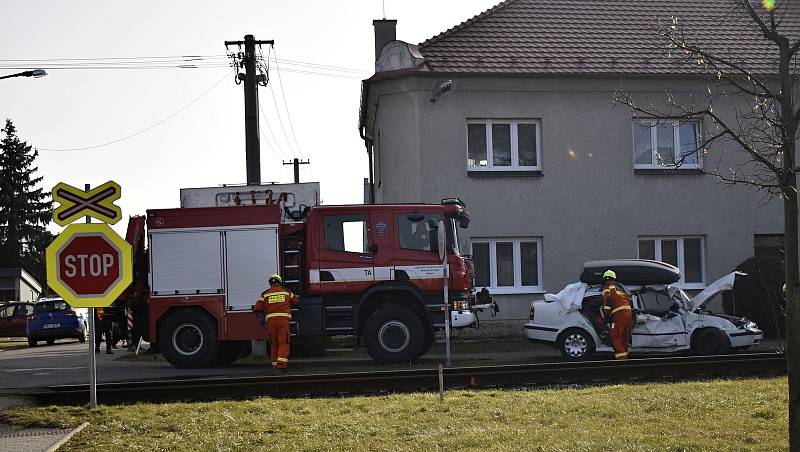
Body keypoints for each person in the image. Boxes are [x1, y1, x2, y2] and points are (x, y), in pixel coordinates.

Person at [253, 274, 299, 372]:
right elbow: (295, 301)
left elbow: (257, 308)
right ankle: (281, 366)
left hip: (270, 322)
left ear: (270, 283)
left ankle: (274, 366)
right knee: (283, 343)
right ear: (280, 282)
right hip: (283, 321)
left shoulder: (265, 294)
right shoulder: (286, 292)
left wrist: (261, 319)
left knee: (274, 344)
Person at [601, 270, 633, 360]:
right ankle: (625, 354)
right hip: (628, 312)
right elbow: (628, 299)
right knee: (624, 335)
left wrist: (607, 316)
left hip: (619, 314)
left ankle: (621, 358)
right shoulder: (620, 288)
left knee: (615, 335)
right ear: (614, 279)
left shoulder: (606, 288)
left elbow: (607, 301)